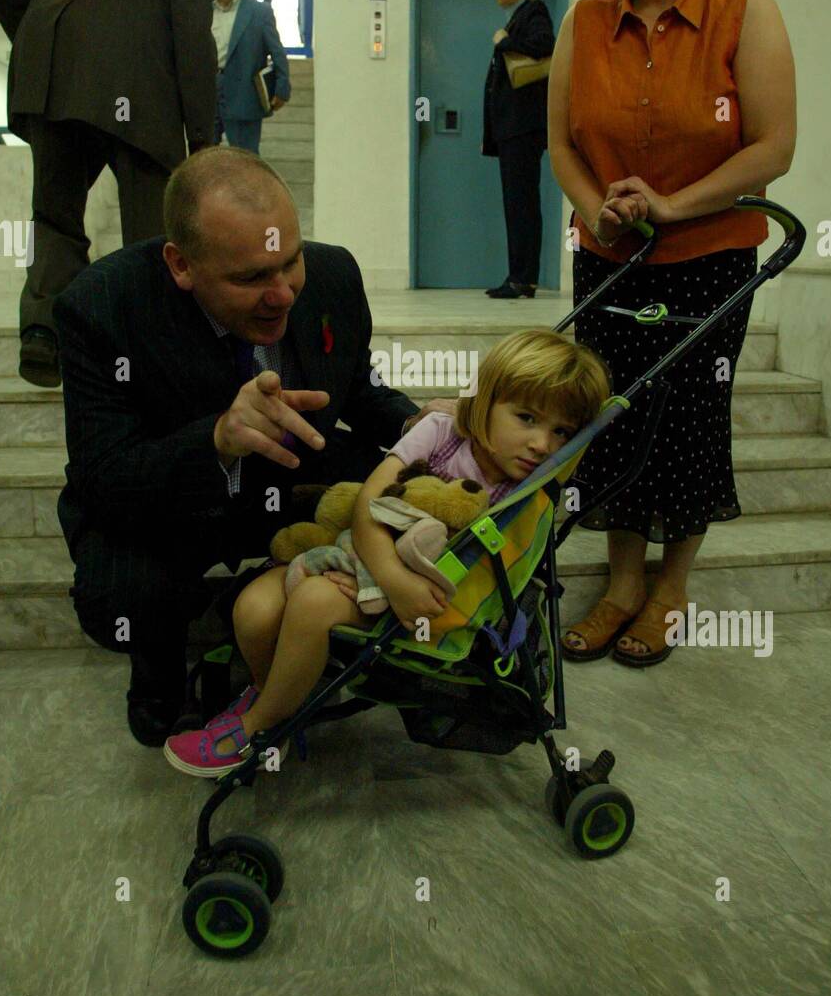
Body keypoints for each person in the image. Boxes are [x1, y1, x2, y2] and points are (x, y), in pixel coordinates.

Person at [54, 146, 451, 749]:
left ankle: (300, 630)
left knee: (398, 500)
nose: (283, 294)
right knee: (123, 594)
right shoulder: (101, 307)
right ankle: (160, 673)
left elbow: (360, 389)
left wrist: (415, 427)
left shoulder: (334, 274)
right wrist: (216, 439)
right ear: (181, 265)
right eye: (250, 278)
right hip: (174, 495)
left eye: (289, 263)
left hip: (294, 470)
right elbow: (106, 476)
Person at [548, 0, 796, 668]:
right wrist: (595, 208)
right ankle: (619, 584)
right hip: (610, 262)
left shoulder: (743, 12)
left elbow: (773, 147)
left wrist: (673, 204)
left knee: (690, 419)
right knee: (608, 414)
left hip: (708, 263)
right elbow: (560, 145)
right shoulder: (582, 24)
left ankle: (670, 588)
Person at [163, 329, 611, 777]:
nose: (542, 444)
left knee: (314, 602)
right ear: (486, 400)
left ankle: (259, 725)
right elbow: (368, 503)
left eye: (562, 431)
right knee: (253, 608)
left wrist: (394, 586)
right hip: (369, 557)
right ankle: (274, 693)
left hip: (427, 603)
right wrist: (386, 573)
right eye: (527, 417)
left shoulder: (526, 491)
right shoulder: (442, 432)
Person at [0, 0, 217, 388]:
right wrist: (204, 142)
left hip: (58, 97)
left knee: (56, 218)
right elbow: (192, 42)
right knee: (149, 236)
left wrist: (37, 41)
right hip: (142, 105)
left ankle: (43, 333)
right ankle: (141, 354)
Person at [482, 0, 556, 299]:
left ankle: (522, 278)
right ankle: (520, 276)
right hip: (514, 128)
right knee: (518, 202)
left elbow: (545, 46)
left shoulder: (533, 11)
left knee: (522, 203)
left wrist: (503, 41)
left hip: (523, 127)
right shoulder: (516, 18)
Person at [213, 0, 290, 154]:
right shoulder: (204, 13)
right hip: (208, 95)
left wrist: (282, 87)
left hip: (244, 96)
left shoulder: (259, 12)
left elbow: (277, 52)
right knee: (204, 161)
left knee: (245, 161)